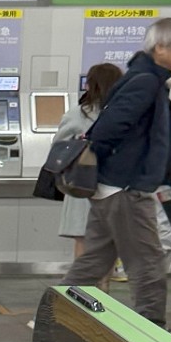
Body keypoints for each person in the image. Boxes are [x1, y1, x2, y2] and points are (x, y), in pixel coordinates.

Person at [66, 18, 171, 326]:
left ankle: (56, 317)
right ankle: (153, 334)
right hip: (125, 188)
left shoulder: (145, 78)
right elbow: (110, 128)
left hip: (111, 186)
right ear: (161, 47)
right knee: (148, 264)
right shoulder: (146, 82)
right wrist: (119, 169)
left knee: (93, 262)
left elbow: (153, 137)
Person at [51, 63, 123, 258]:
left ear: (90, 85)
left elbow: (58, 147)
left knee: (83, 240)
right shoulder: (125, 114)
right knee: (109, 242)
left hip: (82, 183)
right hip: (115, 185)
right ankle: (103, 286)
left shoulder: (77, 114)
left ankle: (82, 288)